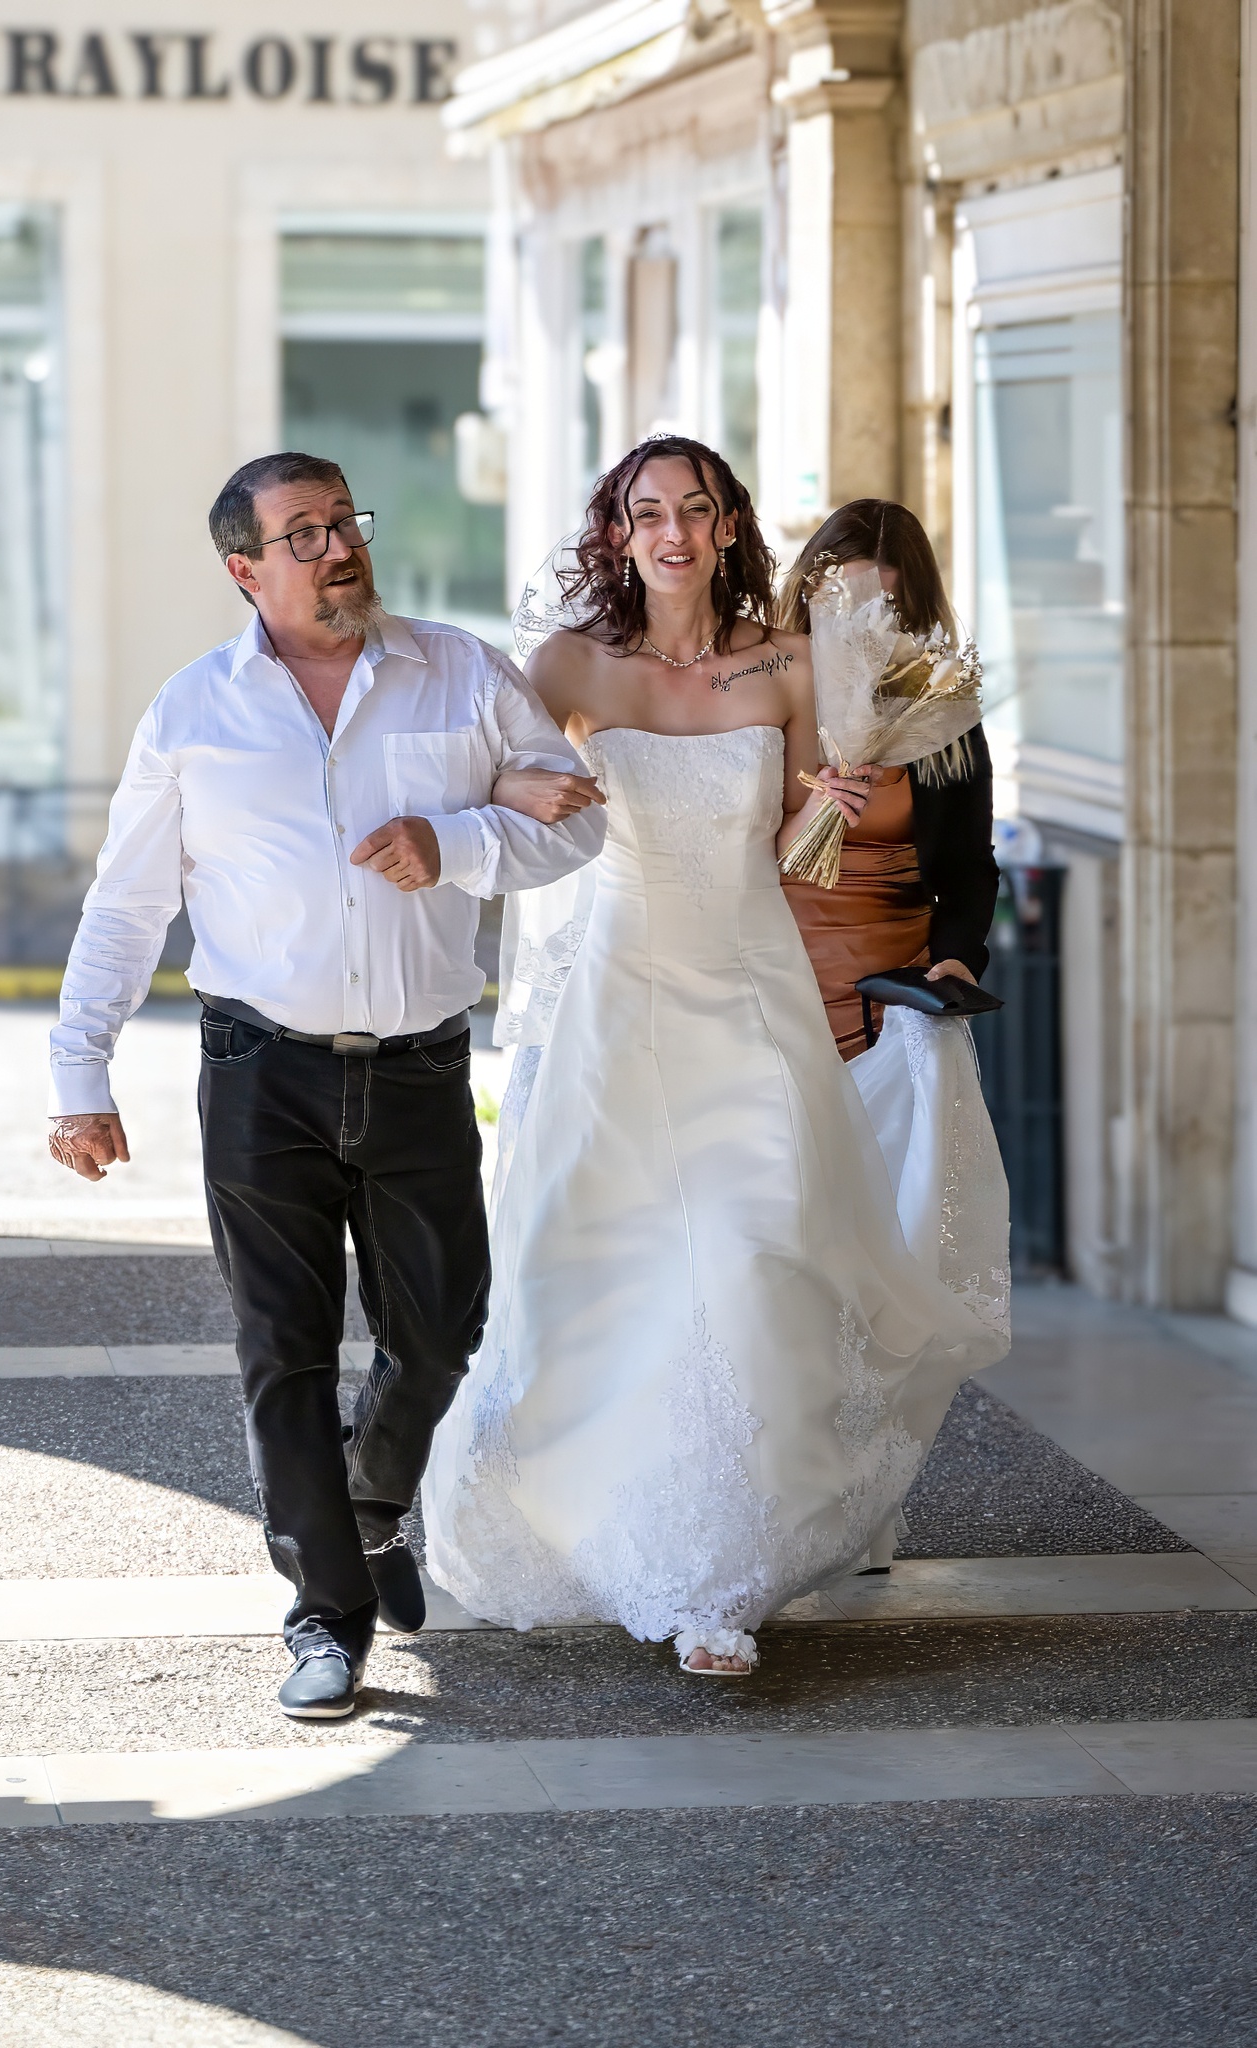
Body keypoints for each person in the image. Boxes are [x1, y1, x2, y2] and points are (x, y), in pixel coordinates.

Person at [423, 435, 1009, 1677]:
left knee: (751, 1258)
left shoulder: (796, 662)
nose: (674, 531)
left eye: (697, 508)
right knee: (609, 1269)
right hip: (620, 998)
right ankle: (618, 1528)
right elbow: (508, 811)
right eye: (649, 512)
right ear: (620, 531)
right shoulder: (569, 664)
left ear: (733, 524)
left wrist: (820, 814)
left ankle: (718, 1579)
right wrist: (507, 807)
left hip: (752, 993)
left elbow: (794, 856)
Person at [46, 452, 606, 1720]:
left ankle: (370, 1497)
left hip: (417, 1068)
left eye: (343, 520)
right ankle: (324, 1612)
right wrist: (80, 1069)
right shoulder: (192, 710)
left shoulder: (461, 670)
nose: (339, 545)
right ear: (245, 569)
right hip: (259, 1070)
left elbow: (579, 820)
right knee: (282, 1352)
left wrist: (455, 840)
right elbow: (129, 903)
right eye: (303, 533)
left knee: (439, 1328)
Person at [776, 499, 1000, 1060]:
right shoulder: (763, 687)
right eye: (843, 605)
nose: (862, 628)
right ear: (809, 595)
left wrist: (958, 959)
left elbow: (969, 864)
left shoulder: (941, 713)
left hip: (894, 993)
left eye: (885, 609)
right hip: (771, 978)